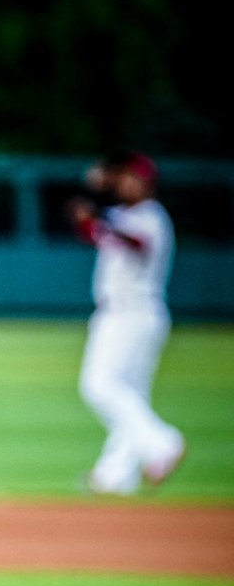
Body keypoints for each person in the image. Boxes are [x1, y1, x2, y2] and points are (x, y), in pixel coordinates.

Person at [67, 150, 185, 495]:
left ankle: (162, 442)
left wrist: (100, 213)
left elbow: (135, 242)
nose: (126, 183)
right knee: (130, 397)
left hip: (133, 314)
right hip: (121, 313)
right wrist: (92, 197)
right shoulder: (119, 214)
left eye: (133, 178)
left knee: (99, 386)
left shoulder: (151, 217)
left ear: (148, 184)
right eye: (123, 178)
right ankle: (116, 476)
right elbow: (88, 230)